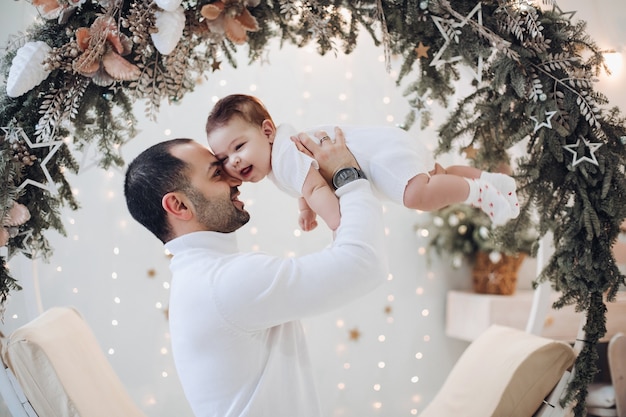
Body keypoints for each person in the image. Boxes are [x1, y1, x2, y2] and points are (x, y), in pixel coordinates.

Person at [123, 131, 388, 417]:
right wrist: (346, 175)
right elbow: (363, 263)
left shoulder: (202, 278)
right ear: (179, 205)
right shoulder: (222, 282)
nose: (236, 179)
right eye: (216, 174)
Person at [205, 94, 520, 232]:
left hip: (380, 160)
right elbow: (307, 186)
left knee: (416, 196)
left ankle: (480, 194)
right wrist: (304, 209)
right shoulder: (283, 157)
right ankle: (492, 180)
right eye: (223, 159)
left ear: (267, 132)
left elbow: (315, 189)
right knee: (440, 174)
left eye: (239, 146)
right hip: (388, 145)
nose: (233, 161)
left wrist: (337, 224)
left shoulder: (284, 157)